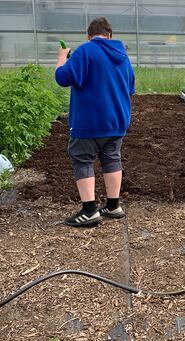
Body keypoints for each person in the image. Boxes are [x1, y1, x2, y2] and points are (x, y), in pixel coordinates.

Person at [55, 17, 136, 227]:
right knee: (112, 158)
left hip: (90, 121)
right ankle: (113, 206)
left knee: (82, 159)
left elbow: (62, 78)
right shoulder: (123, 56)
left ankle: (89, 210)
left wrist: (62, 57)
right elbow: (130, 88)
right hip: (117, 121)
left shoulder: (85, 50)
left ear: (89, 36)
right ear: (110, 35)